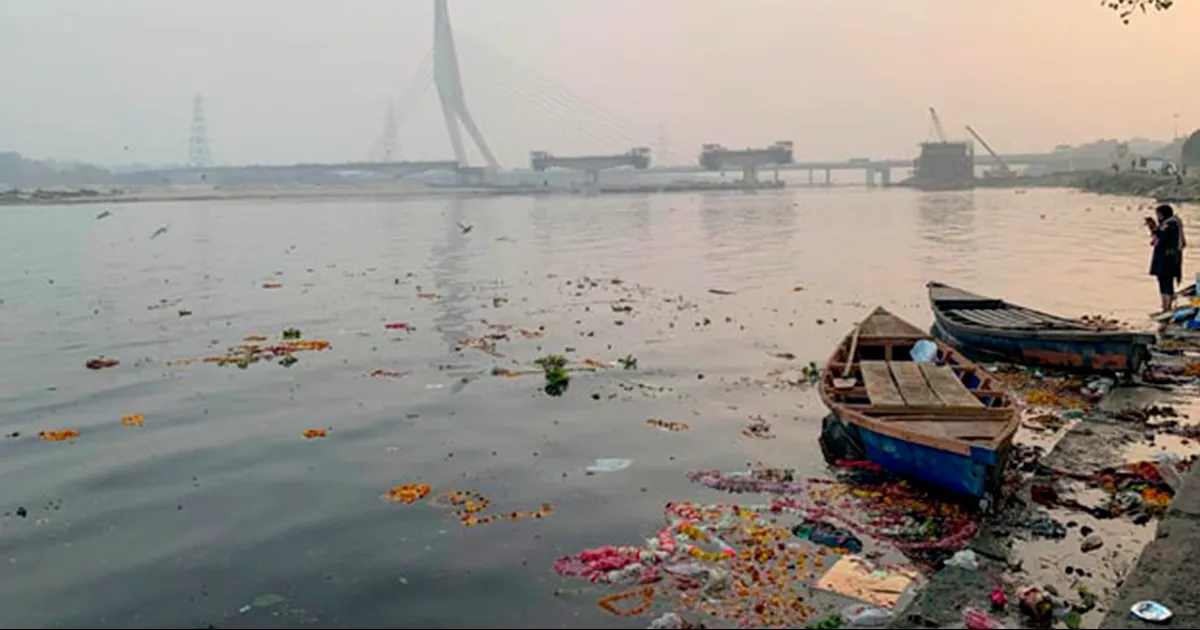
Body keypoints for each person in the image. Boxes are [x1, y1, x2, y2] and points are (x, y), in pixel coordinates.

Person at [1147, 203, 1187, 312]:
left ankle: (1168, 306)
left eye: (1158, 214)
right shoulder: (1165, 224)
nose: (1158, 217)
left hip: (1169, 257)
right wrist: (1153, 228)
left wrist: (1154, 227)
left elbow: (1162, 236)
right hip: (1162, 256)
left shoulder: (1172, 224)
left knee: (1167, 280)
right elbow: (1158, 235)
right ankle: (1164, 305)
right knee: (1161, 279)